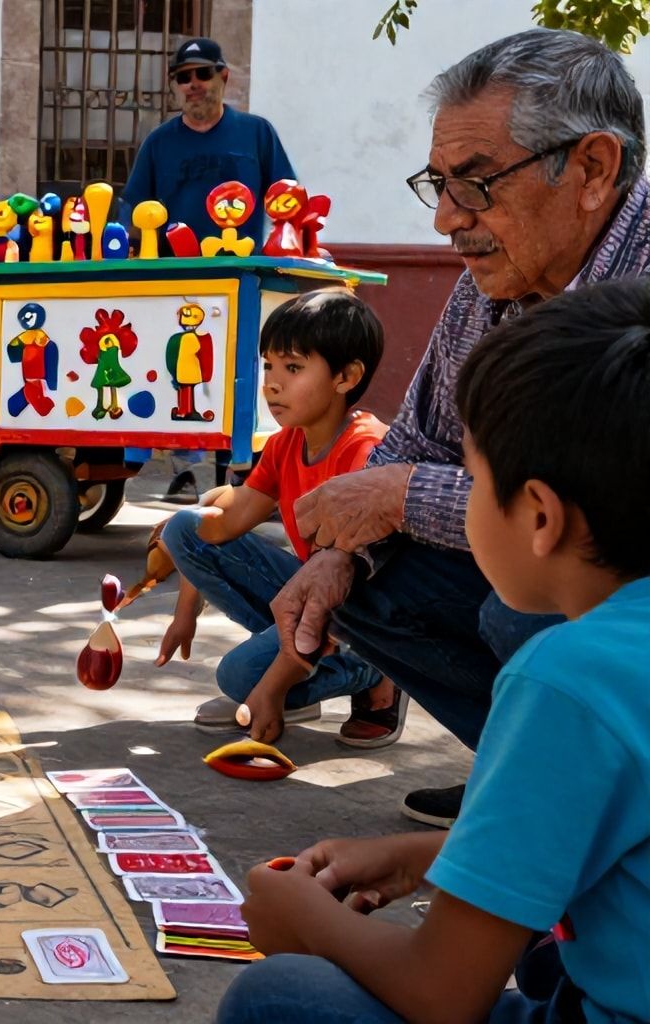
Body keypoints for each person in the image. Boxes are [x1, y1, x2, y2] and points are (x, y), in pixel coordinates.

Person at [219, 277, 650, 1024]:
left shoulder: (567, 680)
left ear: (539, 516)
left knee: (279, 997)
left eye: (473, 482)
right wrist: (426, 860)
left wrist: (307, 922)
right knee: (543, 953)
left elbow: (443, 994)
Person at [268, 28, 650, 828]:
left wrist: (407, 497)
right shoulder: (493, 280)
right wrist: (341, 552)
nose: (446, 219)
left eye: (476, 184)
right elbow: (419, 439)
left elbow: (618, 517)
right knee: (360, 576)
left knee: (529, 602)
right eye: (437, 184)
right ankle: (529, 782)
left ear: (592, 170)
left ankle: (595, 800)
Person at [157, 291, 406, 747]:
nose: (272, 384)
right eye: (269, 366)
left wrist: (265, 692)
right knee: (182, 528)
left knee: (238, 675)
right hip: (312, 599)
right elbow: (220, 526)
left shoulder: (365, 454)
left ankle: (378, 677)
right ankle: (292, 675)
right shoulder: (285, 443)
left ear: (346, 377)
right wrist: (184, 609)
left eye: (292, 369)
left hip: (365, 619)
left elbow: (335, 590)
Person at [123, 36, 297, 504]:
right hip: (176, 283)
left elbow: (287, 197)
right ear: (175, 87)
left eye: (203, 74)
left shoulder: (256, 133)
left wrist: (290, 252)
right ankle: (186, 474)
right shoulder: (159, 143)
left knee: (239, 373)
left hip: (243, 279)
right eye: (184, 77)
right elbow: (134, 209)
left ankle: (243, 475)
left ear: (224, 77)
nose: (194, 84)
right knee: (186, 373)